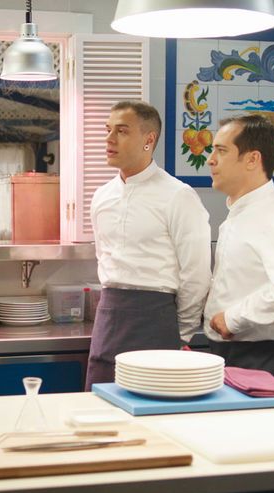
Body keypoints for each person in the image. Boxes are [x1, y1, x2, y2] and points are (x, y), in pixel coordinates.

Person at [87, 100, 211, 388]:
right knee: (100, 406)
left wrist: (181, 333)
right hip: (108, 315)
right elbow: (102, 258)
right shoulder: (101, 196)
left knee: (151, 407)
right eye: (108, 130)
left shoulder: (178, 195)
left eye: (121, 131)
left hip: (156, 319)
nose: (109, 139)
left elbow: (196, 274)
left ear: (149, 139)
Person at [203, 115, 274, 381]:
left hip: (264, 356)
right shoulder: (242, 211)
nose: (211, 160)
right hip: (235, 352)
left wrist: (233, 318)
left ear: (252, 159)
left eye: (221, 151)